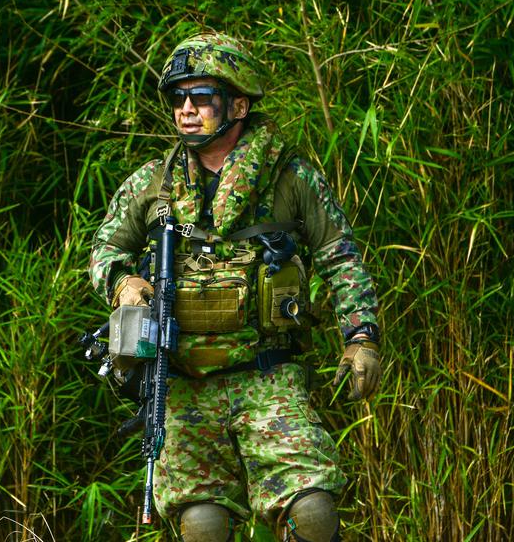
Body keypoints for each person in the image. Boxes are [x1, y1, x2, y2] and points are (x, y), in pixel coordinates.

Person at [89, 32, 381, 542]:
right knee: (202, 523)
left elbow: (339, 254)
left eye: (201, 97)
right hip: (182, 379)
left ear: (238, 104)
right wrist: (124, 282)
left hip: (268, 373)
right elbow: (104, 250)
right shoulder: (152, 183)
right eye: (178, 98)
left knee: (311, 513)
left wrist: (361, 337)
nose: (185, 110)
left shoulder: (287, 178)